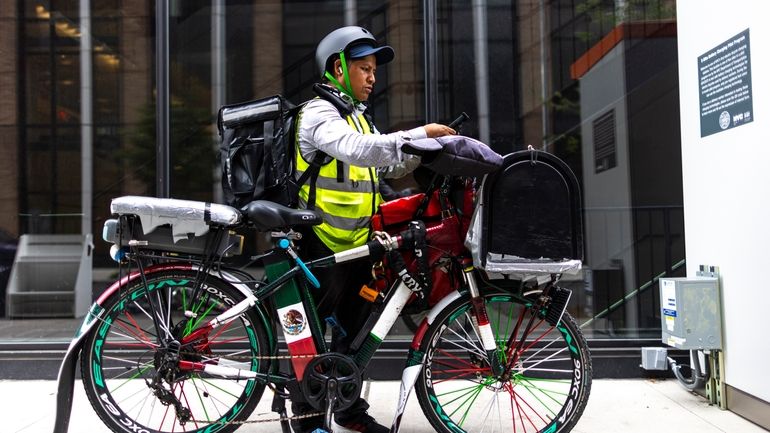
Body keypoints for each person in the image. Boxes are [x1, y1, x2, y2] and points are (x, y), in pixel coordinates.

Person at [291, 26, 455, 433]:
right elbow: (356, 150)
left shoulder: (358, 119)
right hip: (320, 241)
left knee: (358, 331)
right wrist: (419, 133)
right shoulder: (318, 113)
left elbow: (386, 164)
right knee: (307, 339)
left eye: (374, 70)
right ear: (338, 68)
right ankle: (305, 420)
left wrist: (431, 150)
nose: (372, 77)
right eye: (364, 68)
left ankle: (347, 410)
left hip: (358, 242)